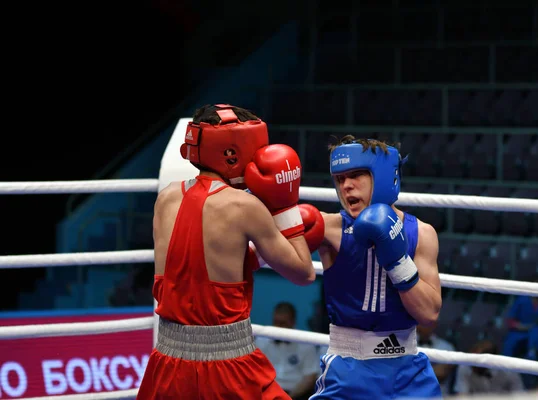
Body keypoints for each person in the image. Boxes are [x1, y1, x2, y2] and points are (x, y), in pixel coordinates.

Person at [137, 104, 324, 399]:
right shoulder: (244, 207)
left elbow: (197, 267)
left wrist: (255, 255)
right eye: (254, 149)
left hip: (168, 362)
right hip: (228, 367)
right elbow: (304, 273)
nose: (258, 158)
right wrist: (286, 208)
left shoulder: (166, 199)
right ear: (231, 155)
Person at [305, 135, 443, 399]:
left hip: (408, 374)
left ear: (382, 176)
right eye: (340, 178)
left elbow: (429, 314)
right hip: (347, 371)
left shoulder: (422, 234)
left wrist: (397, 261)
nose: (346, 185)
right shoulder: (330, 229)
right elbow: (270, 241)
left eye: (357, 175)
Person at [255, 302, 321, 400]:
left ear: (292, 322)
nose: (278, 327)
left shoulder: (306, 343)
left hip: (296, 395)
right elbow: (255, 371)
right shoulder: (261, 341)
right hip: (266, 393)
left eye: (283, 323)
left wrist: (288, 397)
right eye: (276, 322)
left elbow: (310, 376)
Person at [453, 340, 525, 395]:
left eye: (477, 362)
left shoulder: (508, 370)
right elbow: (462, 395)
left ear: (490, 362)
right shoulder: (465, 367)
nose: (473, 365)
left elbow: (519, 395)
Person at [416, 322, 456, 396]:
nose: (422, 325)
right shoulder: (406, 348)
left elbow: (441, 373)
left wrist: (412, 371)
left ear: (434, 324)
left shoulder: (447, 347)